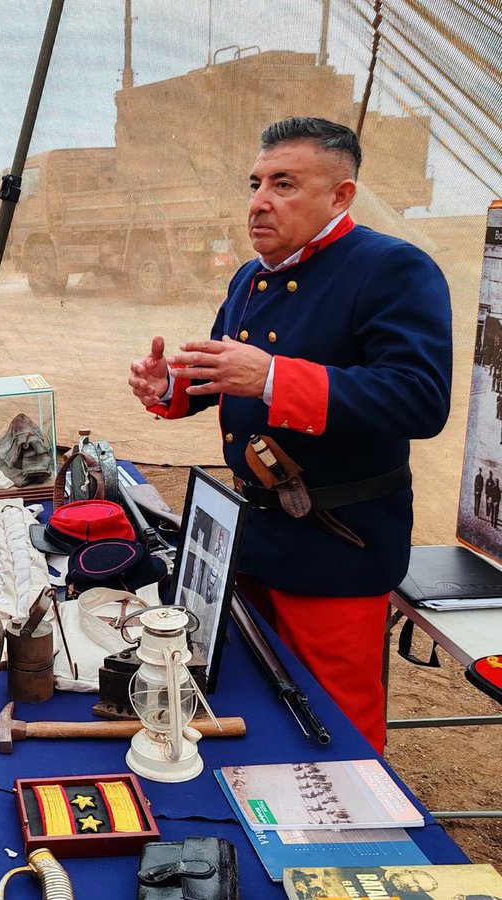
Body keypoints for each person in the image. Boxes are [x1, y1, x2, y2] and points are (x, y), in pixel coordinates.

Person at [128, 116, 452, 753]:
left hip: (337, 541)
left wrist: (277, 377)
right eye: (255, 184)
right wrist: (169, 388)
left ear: (341, 196)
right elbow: (231, 379)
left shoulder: (393, 269)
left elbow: (421, 399)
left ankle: (348, 841)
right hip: (256, 536)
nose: (259, 202)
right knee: (257, 696)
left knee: (335, 727)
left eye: (283, 184)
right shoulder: (251, 277)